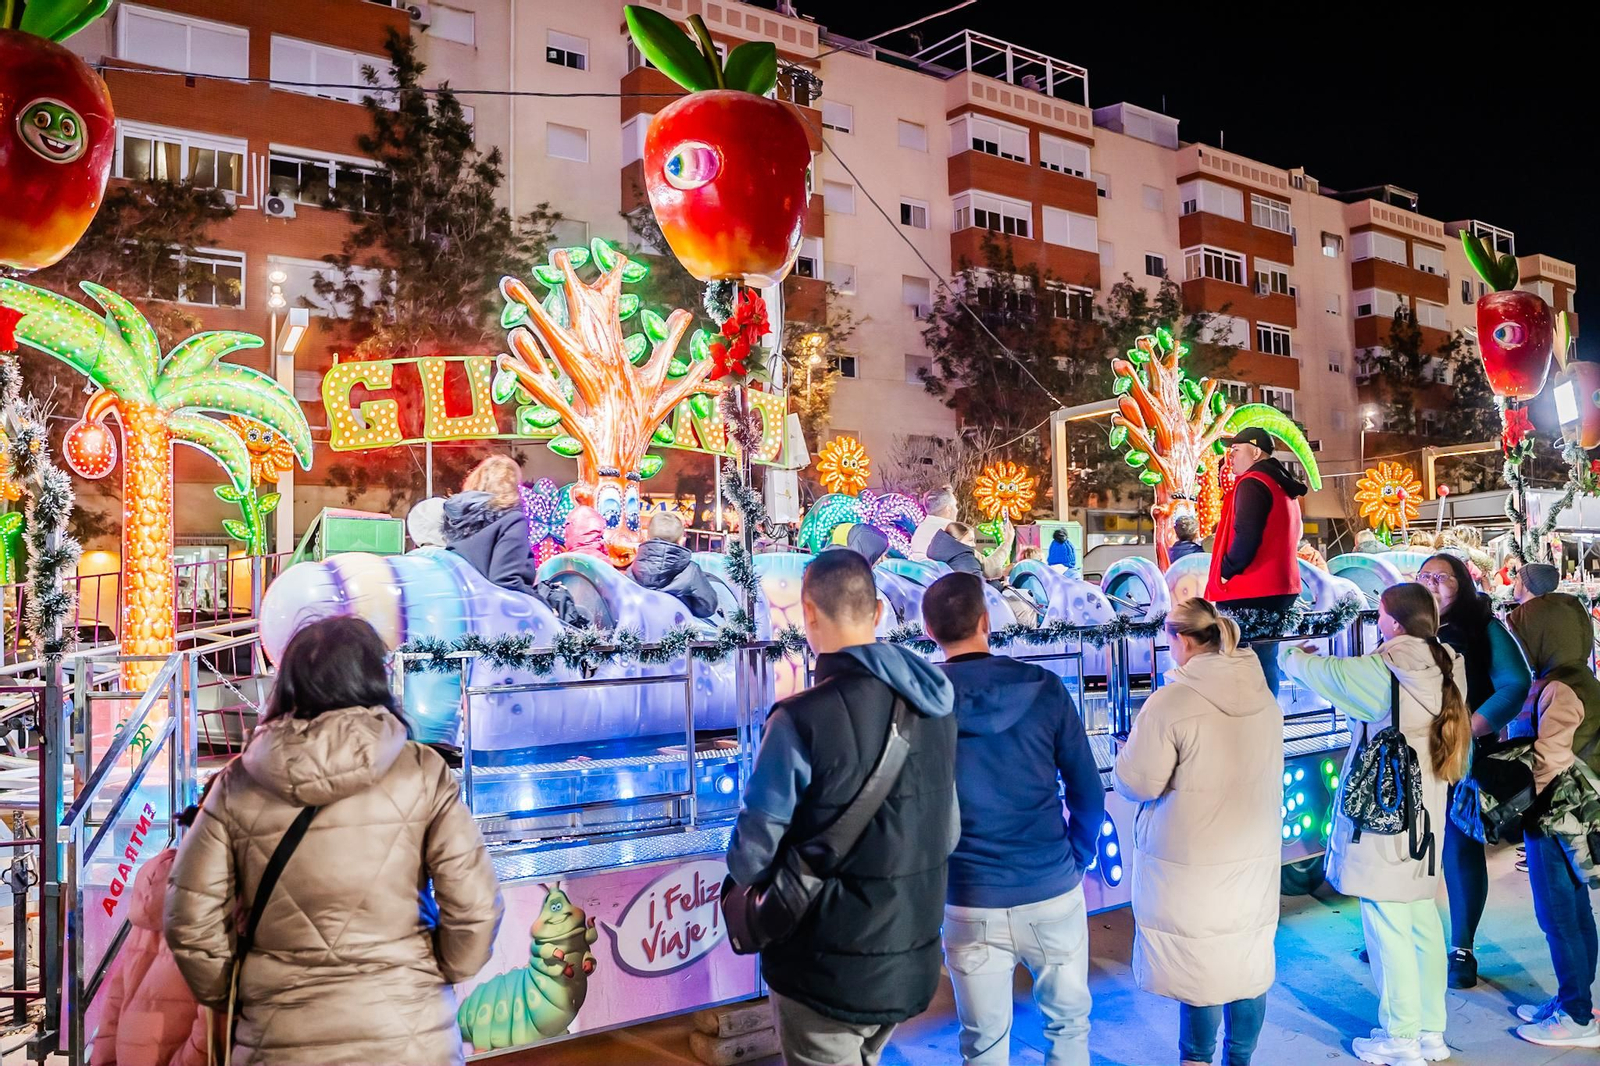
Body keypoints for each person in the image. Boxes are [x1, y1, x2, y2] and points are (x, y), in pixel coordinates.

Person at [165, 616, 503, 1066]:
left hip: (279, 1038)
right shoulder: (421, 771)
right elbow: (476, 907)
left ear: (287, 684)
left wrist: (239, 989)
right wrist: (441, 968)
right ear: (375, 678)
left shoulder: (237, 784)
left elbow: (189, 920)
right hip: (408, 1035)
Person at [725, 550, 957, 1066]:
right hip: (910, 955)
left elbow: (749, 857)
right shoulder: (936, 707)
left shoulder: (798, 719)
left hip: (824, 968)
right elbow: (948, 831)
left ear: (807, 612)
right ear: (877, 613)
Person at [1280, 583, 1471, 1066]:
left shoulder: (1384, 671)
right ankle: (1431, 1032)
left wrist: (1293, 653)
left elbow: (1319, 672)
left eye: (1382, 616)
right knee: (1422, 923)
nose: (1379, 624)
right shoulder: (1449, 665)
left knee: (1388, 928)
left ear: (1395, 622)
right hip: (1427, 819)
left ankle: (1401, 1039)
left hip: (1386, 821)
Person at [926, 573, 1105, 1066]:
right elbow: (1088, 792)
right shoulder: (1043, 688)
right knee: (1068, 1028)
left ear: (928, 631)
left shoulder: (923, 702)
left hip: (969, 896)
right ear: (986, 621)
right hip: (1050, 883)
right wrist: (1076, 860)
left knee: (982, 1043)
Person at [1114, 598, 1284, 1066]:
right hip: (1251, 852)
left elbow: (1136, 782)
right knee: (1246, 962)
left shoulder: (1172, 701)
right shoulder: (1262, 694)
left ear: (1182, 640)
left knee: (1200, 968)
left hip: (1192, 862)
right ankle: (1241, 1058)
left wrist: (1125, 750)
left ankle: (1196, 1059)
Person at [1415, 551, 1530, 988]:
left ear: (1462, 583)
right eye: (1425, 576)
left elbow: (1514, 685)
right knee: (1409, 843)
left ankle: (1461, 946)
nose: (1432, 584)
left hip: (1461, 756)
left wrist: (1468, 731)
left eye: (1442, 577)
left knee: (1460, 846)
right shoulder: (1410, 624)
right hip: (1411, 755)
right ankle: (1403, 929)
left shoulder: (1483, 626)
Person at [1507, 563, 1600, 1048]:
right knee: (1575, 909)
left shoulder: (1560, 686)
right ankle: (1575, 999)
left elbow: (1550, 757)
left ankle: (1577, 1015)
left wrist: (1511, 782)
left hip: (1555, 816)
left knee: (1559, 913)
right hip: (1575, 815)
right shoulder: (1580, 676)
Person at [92, 834, 213, 1066]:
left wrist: (104, 1060)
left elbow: (114, 1003)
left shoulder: (144, 922)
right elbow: (215, 1019)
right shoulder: (214, 918)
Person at [1205, 427, 1308, 696]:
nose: (1231, 458)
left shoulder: (1253, 482)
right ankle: (1267, 720)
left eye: (1236, 450)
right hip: (1280, 586)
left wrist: (1227, 570)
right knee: (1265, 659)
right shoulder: (1281, 484)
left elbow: (1246, 535)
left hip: (1251, 587)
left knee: (1241, 662)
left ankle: (1248, 723)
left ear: (1255, 451)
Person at [443, 455, 539, 593]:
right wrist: (544, 605)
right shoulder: (512, 521)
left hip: (462, 603)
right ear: (512, 485)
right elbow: (506, 582)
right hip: (495, 609)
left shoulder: (460, 519)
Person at [629, 510, 719, 618]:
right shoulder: (690, 570)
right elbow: (708, 606)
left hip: (641, 628)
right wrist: (687, 605)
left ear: (648, 535)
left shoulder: (634, 567)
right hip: (677, 629)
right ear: (680, 539)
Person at [910, 486, 959, 561]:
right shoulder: (952, 532)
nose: (957, 510)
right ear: (948, 509)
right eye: (955, 506)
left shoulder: (920, 530)